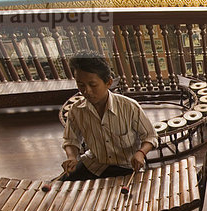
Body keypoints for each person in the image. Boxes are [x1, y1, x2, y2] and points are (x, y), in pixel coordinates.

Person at [61, 50, 158, 181]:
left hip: (126, 167)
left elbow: (150, 136)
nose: (86, 91)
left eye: (93, 85)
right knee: (55, 189)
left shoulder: (129, 107)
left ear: (108, 83)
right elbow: (70, 140)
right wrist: (71, 157)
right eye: (81, 85)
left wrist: (140, 153)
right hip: (93, 165)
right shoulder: (76, 110)